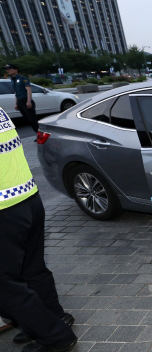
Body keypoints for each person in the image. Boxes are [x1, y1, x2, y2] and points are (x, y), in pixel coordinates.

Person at [0, 106, 77, 352]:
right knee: (31, 268)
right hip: (27, 199)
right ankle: (55, 316)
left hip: (4, 209)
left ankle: (55, 336)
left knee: (5, 285)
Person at [5, 64, 38, 136]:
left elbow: (29, 90)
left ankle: (41, 135)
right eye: (7, 69)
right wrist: (16, 103)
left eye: (9, 69)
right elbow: (16, 92)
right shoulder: (12, 80)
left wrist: (29, 101)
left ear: (16, 70)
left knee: (32, 120)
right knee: (28, 120)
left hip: (26, 100)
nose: (8, 70)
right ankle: (38, 134)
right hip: (20, 101)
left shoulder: (23, 78)